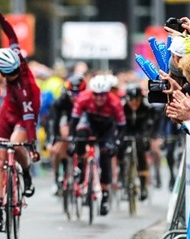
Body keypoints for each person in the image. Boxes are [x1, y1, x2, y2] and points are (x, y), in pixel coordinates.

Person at [0, 1, 41, 232]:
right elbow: (10, 32)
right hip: (9, 109)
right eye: (7, 75)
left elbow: (29, 120)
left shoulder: (25, 83)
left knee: (17, 145)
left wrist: (33, 144)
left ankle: (26, 174)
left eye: (14, 73)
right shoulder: (14, 52)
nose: (12, 77)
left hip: (26, 109)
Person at [67, 74, 126, 216]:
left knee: (106, 154)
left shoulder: (115, 102)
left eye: (102, 95)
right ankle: (81, 166)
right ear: (91, 92)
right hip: (89, 123)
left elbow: (122, 127)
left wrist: (116, 142)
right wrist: (72, 140)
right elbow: (74, 121)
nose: (99, 98)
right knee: (80, 136)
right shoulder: (83, 98)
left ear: (107, 93)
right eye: (96, 95)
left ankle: (105, 196)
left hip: (106, 128)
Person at [118, 84, 157, 201]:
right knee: (120, 148)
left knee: (141, 151)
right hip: (126, 128)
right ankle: (122, 179)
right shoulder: (122, 106)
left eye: (137, 100)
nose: (134, 103)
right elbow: (116, 122)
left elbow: (153, 122)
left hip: (141, 129)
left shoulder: (147, 106)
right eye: (131, 101)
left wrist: (149, 136)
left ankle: (143, 185)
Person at [49, 74, 86, 195]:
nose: (75, 98)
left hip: (81, 122)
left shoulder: (88, 100)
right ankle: (57, 176)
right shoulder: (62, 101)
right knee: (56, 149)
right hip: (66, 121)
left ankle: (85, 176)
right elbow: (55, 121)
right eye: (73, 95)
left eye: (78, 95)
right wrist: (54, 137)